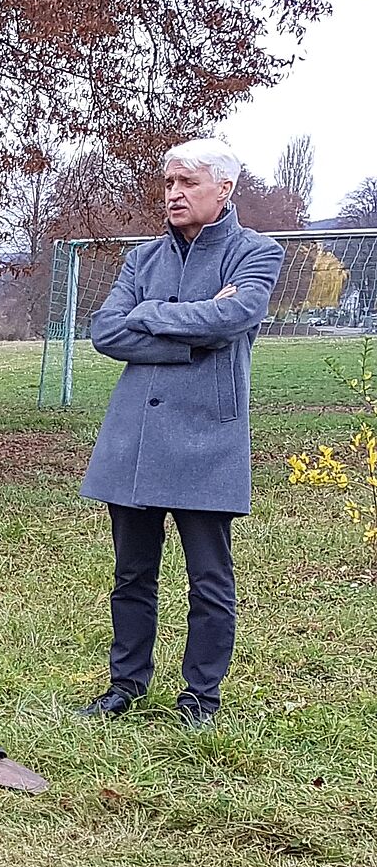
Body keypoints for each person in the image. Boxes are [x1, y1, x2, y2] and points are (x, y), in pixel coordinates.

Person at [77, 138, 282, 728]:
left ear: (224, 188)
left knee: (209, 580)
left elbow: (235, 316)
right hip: (134, 438)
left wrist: (150, 314)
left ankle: (200, 698)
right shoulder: (142, 257)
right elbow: (106, 332)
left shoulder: (256, 252)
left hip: (206, 441)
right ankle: (125, 684)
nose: (173, 194)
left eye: (187, 183)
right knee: (131, 574)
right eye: (168, 183)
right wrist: (190, 330)